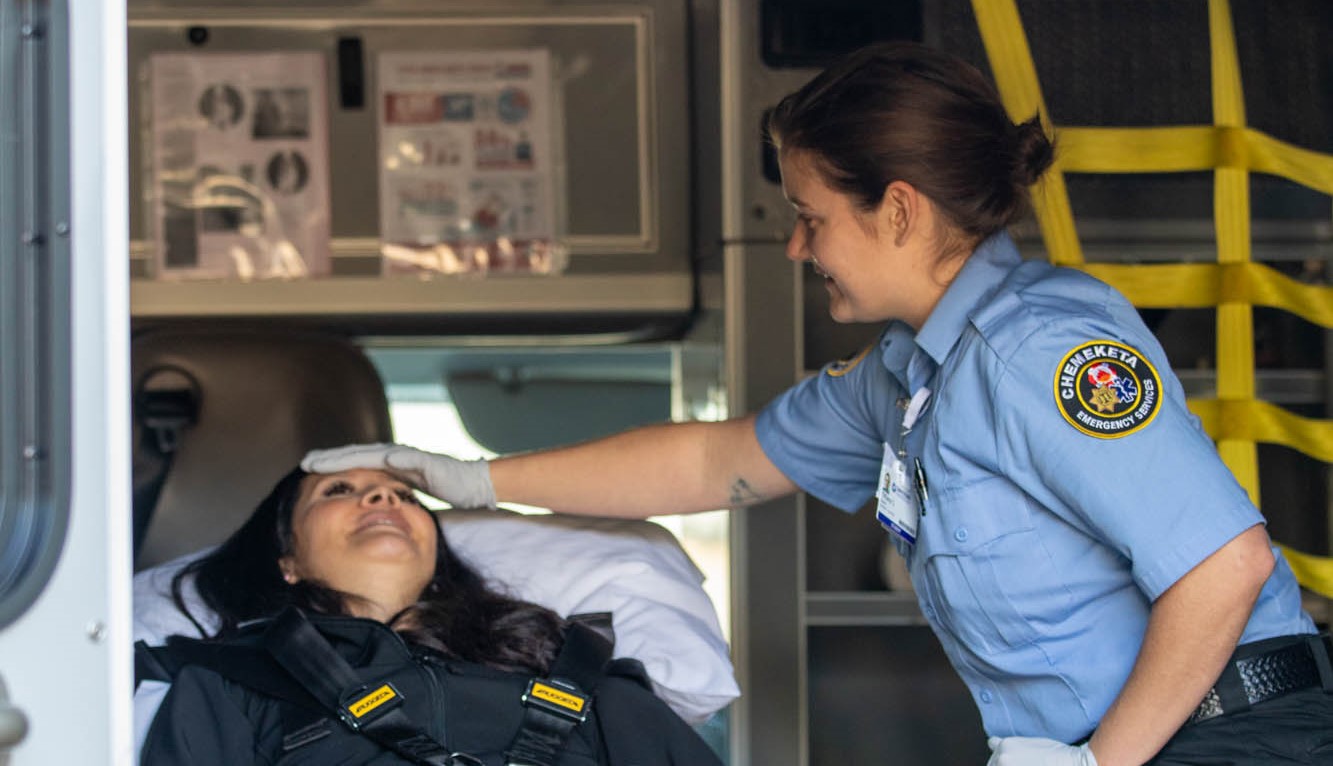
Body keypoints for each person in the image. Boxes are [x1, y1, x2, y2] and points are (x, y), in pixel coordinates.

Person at [305, 41, 1333, 766]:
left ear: (897, 209)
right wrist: (466, 475)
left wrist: (1099, 764)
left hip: (1228, 737)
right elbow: (718, 461)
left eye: (809, 218)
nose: (797, 248)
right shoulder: (908, 374)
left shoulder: (1043, 348)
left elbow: (1224, 566)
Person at [139, 466, 722, 765]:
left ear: (438, 557)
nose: (383, 499)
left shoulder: (577, 669)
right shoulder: (230, 681)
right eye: (338, 490)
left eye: (407, 495)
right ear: (286, 559)